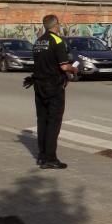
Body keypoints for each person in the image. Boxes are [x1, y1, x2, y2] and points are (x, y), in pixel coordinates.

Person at [31, 14, 78, 168]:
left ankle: (42, 156)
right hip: (53, 87)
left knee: (42, 120)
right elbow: (64, 66)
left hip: (39, 86)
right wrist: (74, 68)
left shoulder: (38, 42)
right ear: (55, 25)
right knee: (53, 122)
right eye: (59, 23)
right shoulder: (57, 41)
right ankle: (50, 159)